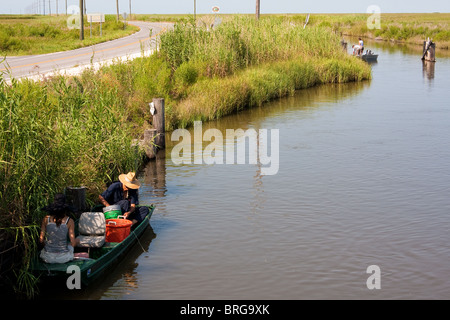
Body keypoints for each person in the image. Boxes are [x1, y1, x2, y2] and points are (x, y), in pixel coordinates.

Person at [39, 194, 78, 264]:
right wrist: (78, 241)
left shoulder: (46, 219)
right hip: (63, 258)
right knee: (72, 244)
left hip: (47, 257)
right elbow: (73, 243)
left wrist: (49, 247)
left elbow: (41, 240)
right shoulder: (69, 221)